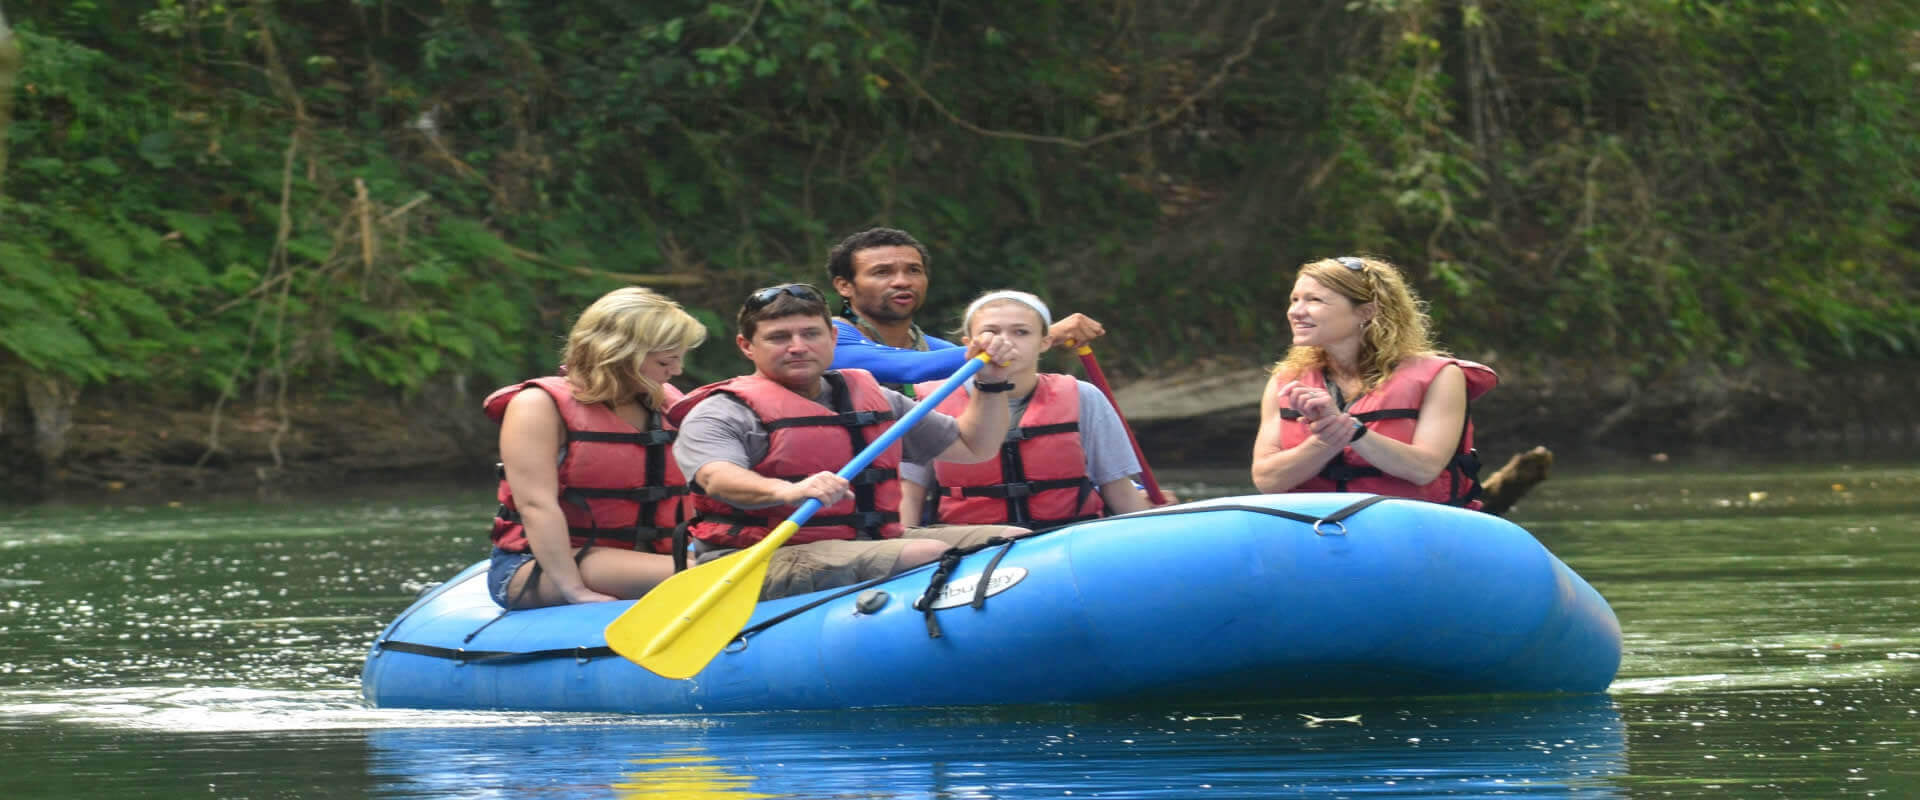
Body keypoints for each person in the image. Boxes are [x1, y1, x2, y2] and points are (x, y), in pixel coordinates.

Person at [668, 283, 1029, 600]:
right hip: (756, 558)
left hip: (869, 541)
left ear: (833, 338)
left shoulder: (873, 398)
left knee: (1016, 539)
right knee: (924, 552)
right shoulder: (722, 411)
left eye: (811, 334)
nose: (798, 347)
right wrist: (787, 491)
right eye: (779, 338)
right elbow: (716, 477)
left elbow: (973, 447)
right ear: (747, 346)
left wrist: (992, 383)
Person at [482, 287, 708, 609]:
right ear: (622, 354)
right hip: (544, 566)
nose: (677, 371)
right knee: (713, 574)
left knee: (743, 565)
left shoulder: (664, 402)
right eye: (666, 361)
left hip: (646, 556)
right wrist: (574, 591)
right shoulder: (537, 406)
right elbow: (536, 506)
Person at [1251, 256, 1497, 507]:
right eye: (1295, 299)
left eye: (1314, 300)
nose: (1296, 312)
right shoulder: (1285, 380)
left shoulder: (1442, 376)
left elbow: (1424, 469)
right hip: (1313, 527)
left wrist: (1350, 430)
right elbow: (1267, 480)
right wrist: (1326, 439)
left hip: (1410, 526)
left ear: (1366, 311)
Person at [900, 290, 1154, 529]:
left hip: (1069, 539)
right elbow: (909, 495)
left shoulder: (1084, 396)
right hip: (971, 548)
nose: (1005, 342)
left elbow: (1119, 490)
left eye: (1021, 332)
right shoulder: (930, 402)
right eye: (991, 332)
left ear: (1045, 342)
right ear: (968, 343)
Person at [825, 227, 1108, 390]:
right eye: (882, 272)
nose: (902, 281)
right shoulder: (828, 338)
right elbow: (910, 369)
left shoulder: (935, 349)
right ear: (844, 286)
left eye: (913, 270)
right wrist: (1042, 335)